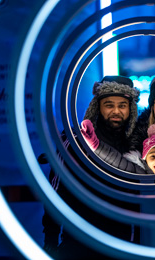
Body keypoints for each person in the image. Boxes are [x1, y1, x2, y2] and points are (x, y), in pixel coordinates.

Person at [41, 75, 141, 259]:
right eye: (109, 105)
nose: (116, 111)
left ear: (131, 108)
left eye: (122, 105)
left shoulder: (140, 146)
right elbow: (56, 193)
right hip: (80, 244)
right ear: (98, 106)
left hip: (127, 244)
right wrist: (50, 242)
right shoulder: (77, 143)